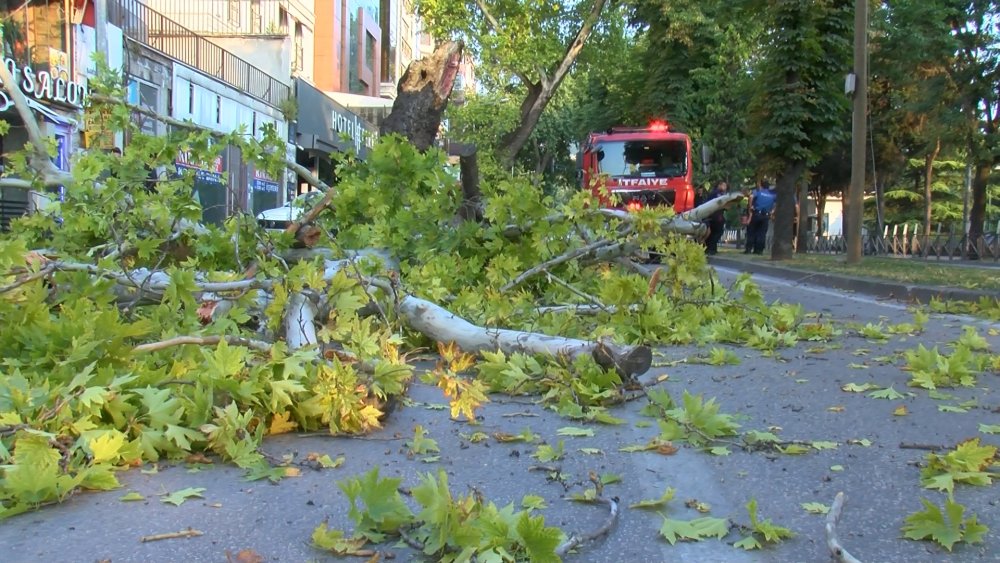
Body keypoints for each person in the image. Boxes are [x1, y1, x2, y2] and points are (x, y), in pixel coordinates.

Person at [745, 180, 776, 255]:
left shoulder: (758, 192)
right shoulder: (772, 195)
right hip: (766, 215)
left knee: (751, 232)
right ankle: (759, 250)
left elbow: (751, 196)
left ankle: (749, 249)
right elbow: (777, 203)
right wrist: (772, 211)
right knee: (762, 233)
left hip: (756, 213)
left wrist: (750, 207)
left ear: (761, 185)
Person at [704, 181, 728, 255]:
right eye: (724, 185)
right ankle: (711, 248)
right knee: (717, 232)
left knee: (713, 232)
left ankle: (711, 248)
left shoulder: (713, 193)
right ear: (719, 185)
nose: (725, 187)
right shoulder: (717, 194)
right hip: (716, 215)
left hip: (712, 215)